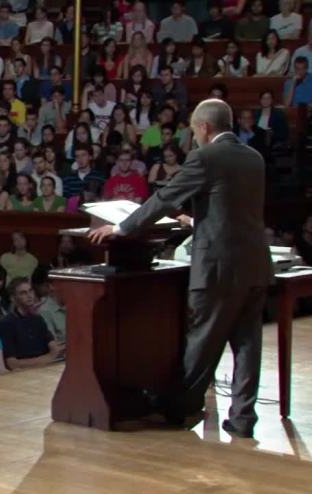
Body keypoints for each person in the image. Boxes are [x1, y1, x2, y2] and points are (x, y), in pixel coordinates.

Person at [89, 99, 272, 438]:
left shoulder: (206, 157)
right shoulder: (253, 158)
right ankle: (243, 418)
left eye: (194, 130)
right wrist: (197, 220)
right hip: (254, 264)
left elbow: (166, 198)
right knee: (248, 343)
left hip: (218, 266)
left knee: (202, 339)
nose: (194, 137)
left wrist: (121, 228)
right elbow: (233, 210)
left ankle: (178, 408)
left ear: (204, 127)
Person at [0, 278, 64, 371]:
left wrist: (50, 357)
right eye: (23, 293)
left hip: (46, 370)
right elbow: (12, 364)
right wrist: (47, 359)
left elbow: (54, 349)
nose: (29, 295)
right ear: (13, 298)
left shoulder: (38, 319)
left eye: (30, 291)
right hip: (23, 374)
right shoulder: (6, 324)